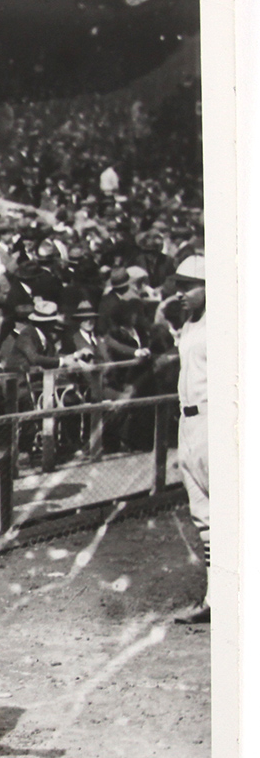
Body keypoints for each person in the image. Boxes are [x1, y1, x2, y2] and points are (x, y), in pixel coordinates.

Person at [161, 257, 209, 624]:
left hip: (215, 421)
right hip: (188, 422)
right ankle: (214, 598)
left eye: (188, 285)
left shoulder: (225, 324)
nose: (180, 293)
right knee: (203, 517)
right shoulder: (190, 325)